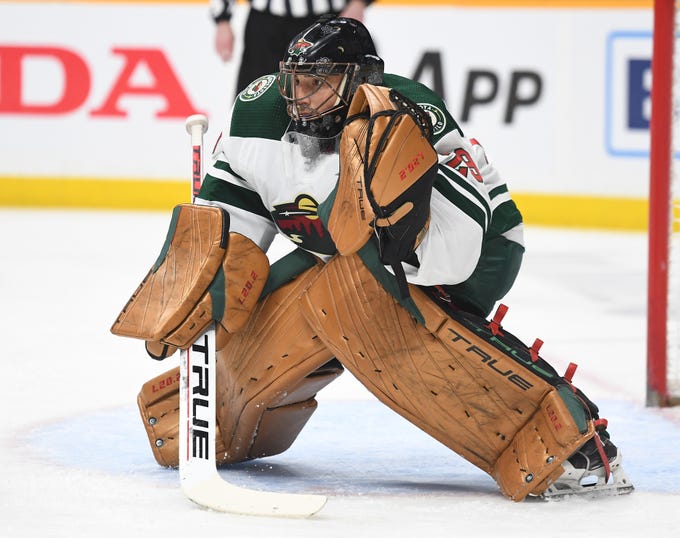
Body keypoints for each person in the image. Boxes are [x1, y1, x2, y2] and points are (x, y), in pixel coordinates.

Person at [113, 17, 633, 501]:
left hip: (478, 250)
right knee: (274, 314)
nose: (301, 96)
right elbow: (231, 227)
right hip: (339, 250)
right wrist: (206, 281)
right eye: (295, 81)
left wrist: (391, 238)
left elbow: (458, 252)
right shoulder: (258, 116)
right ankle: (219, 420)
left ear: (359, 78)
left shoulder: (406, 115)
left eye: (319, 82)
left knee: (357, 303)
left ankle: (570, 445)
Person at [211, 0, 373, 96]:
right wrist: (222, 19)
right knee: (255, 99)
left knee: (334, 101)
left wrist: (358, 2)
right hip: (266, 26)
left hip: (328, 19)